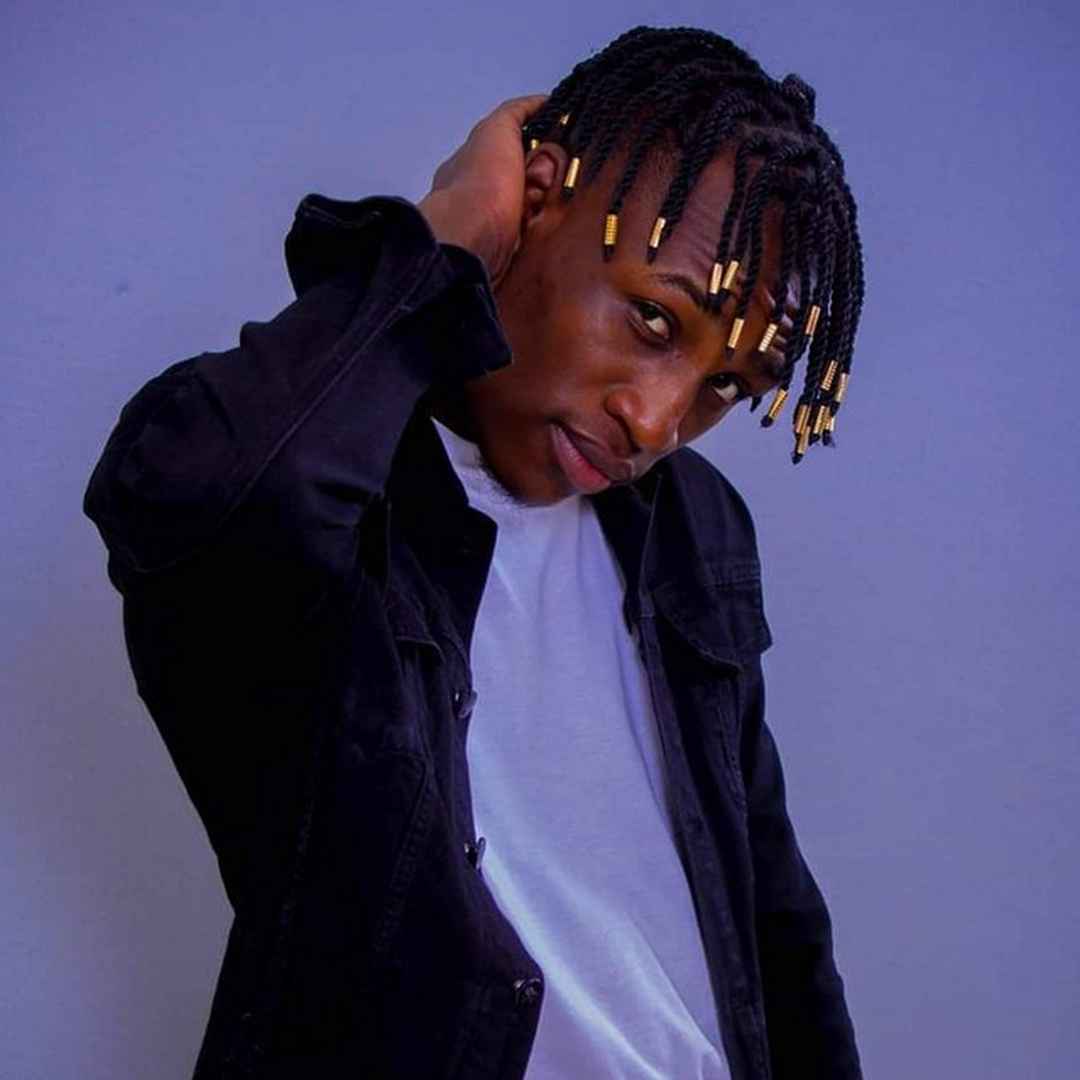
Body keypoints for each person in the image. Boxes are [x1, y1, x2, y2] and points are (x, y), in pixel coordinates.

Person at [83, 24, 865, 1080]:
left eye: (725, 385)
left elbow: (775, 925)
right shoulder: (336, 486)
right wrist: (447, 233)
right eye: (651, 318)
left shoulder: (695, 527)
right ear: (539, 200)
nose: (656, 422)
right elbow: (219, 494)